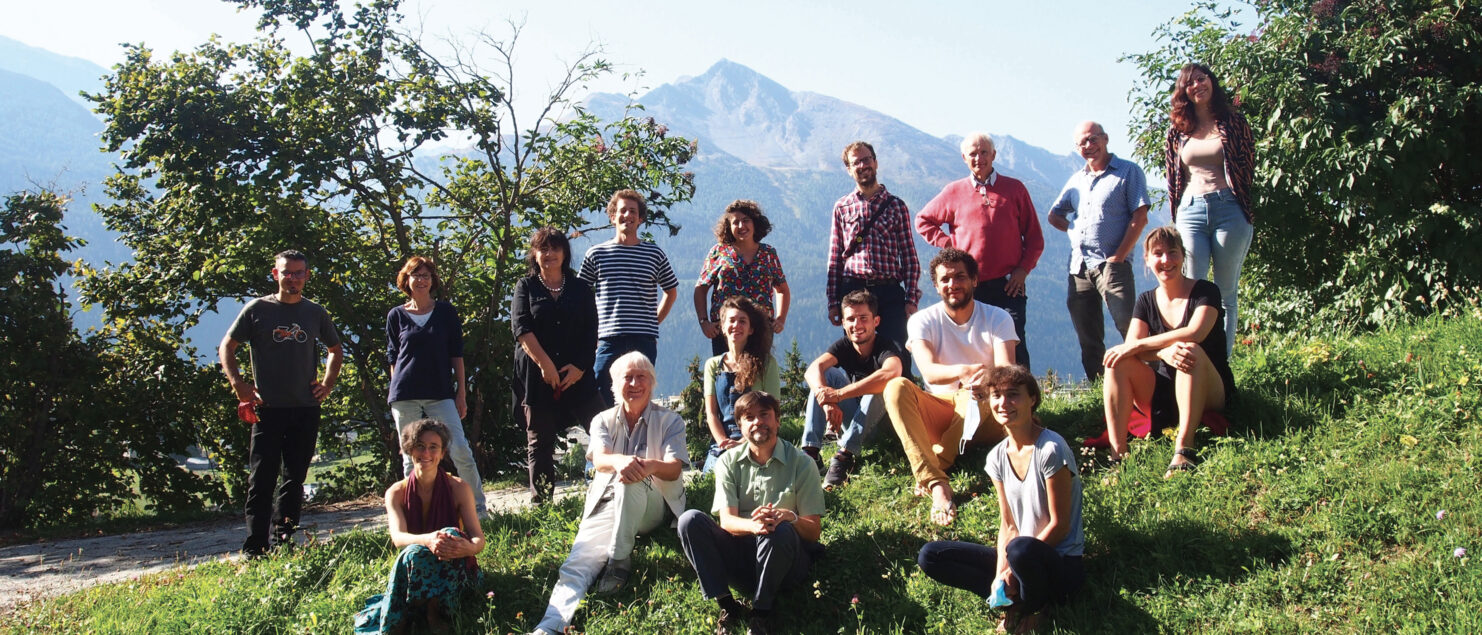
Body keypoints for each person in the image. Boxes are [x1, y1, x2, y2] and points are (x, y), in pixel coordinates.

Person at [530, 352, 689, 635]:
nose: (635, 383)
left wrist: (645, 466)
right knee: (577, 563)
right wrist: (621, 462)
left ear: (651, 383)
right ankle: (549, 627)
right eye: (627, 377)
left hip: (653, 503)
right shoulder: (602, 419)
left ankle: (619, 560)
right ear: (615, 385)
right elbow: (600, 459)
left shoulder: (670, 420)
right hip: (607, 502)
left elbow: (674, 469)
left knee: (633, 478)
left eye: (641, 376)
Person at [917, 366, 1084, 634]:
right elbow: (1008, 525)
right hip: (1020, 556)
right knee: (931, 556)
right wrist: (1000, 574)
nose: (1003, 403)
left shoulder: (1051, 449)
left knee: (1021, 551)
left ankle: (1035, 608)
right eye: (996, 395)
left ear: (1032, 399)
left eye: (1013, 395)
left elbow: (1060, 524)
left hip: (1058, 562)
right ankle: (1013, 598)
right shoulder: (996, 457)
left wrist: (1014, 569)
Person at [219, 249, 343, 557]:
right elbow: (227, 346)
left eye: (299, 273)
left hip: (305, 408)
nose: (293, 279)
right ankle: (255, 546)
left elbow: (335, 350)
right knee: (261, 478)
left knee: (294, 478)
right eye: (287, 273)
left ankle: (284, 539)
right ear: (276, 274)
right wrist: (239, 384)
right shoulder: (257, 309)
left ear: (307, 276)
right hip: (267, 408)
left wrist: (326, 384)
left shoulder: (315, 313)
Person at [883, 248, 1017, 527]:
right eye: (945, 279)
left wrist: (982, 380)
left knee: (980, 391)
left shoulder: (998, 318)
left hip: (988, 413)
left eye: (960, 277)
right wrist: (966, 371)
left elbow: (1007, 371)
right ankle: (939, 485)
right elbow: (928, 370)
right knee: (895, 388)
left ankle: (936, 467)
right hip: (943, 409)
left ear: (974, 281)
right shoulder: (922, 320)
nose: (952, 284)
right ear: (935, 285)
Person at [678, 391, 825, 635]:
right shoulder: (728, 462)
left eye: (764, 415)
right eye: (749, 417)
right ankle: (728, 606)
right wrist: (754, 526)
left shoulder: (802, 463)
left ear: (777, 420)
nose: (757, 422)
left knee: (778, 529)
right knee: (689, 520)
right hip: (743, 557)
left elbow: (813, 531)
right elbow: (726, 520)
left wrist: (790, 517)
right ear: (740, 426)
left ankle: (761, 614)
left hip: (787, 562)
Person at [1102, 227, 1236, 478]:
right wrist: (1163, 353)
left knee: (1189, 350)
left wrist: (1146, 345)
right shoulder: (1145, 300)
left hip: (1209, 387)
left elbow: (1195, 332)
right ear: (1147, 259)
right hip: (1164, 388)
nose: (1166, 260)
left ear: (1183, 256)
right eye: (1158, 253)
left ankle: (1184, 448)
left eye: (1172, 253)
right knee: (1117, 362)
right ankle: (1117, 455)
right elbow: (1131, 351)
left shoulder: (1207, 291)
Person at [915, 132, 1044, 370]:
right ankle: (979, 399)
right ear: (964, 158)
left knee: (1013, 343)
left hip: (1008, 285)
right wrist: (947, 243)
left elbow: (1035, 238)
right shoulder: (953, 191)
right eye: (973, 154)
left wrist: (1022, 271)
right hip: (967, 285)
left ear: (994, 155)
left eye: (984, 152)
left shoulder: (1015, 189)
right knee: (974, 344)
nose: (979, 158)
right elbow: (923, 220)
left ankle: (1024, 402)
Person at [355, 419, 485, 634]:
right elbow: (398, 538)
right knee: (415, 551)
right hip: (415, 566)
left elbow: (478, 539)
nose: (426, 453)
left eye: (433, 447)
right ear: (409, 450)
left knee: (450, 534)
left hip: (454, 569)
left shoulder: (459, 488)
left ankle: (429, 614)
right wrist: (428, 539)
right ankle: (427, 616)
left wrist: (468, 548)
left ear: (442, 453)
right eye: (420, 446)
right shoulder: (396, 492)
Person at [1046, 121, 1152, 381]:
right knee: (1087, 334)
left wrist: (1119, 256)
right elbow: (1054, 215)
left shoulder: (1128, 172)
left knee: (1130, 326)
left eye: (1093, 139)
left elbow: (1140, 216)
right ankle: (1099, 387)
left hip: (1112, 264)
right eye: (1082, 142)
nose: (1088, 146)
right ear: (1077, 148)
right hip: (1079, 268)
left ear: (1105, 139)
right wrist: (1073, 230)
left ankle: (1152, 383)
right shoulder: (1076, 180)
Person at [1164, 63, 1256, 356]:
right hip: (1191, 210)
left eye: (1202, 79)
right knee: (1193, 288)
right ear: (1184, 91)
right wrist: (1175, 212)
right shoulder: (1178, 131)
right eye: (1190, 83)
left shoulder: (1233, 122)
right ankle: (1196, 357)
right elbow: (1172, 176)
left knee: (1226, 292)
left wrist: (1242, 204)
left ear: (1211, 82)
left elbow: (1247, 164)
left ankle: (1222, 364)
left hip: (1229, 207)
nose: (1197, 86)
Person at [386, 256, 486, 516]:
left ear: (433, 281)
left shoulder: (445, 312)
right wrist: (394, 391)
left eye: (426, 275)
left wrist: (460, 393)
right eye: (416, 275)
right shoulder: (396, 315)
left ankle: (477, 508)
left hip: (440, 392)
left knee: (460, 449)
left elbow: (457, 355)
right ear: (406, 281)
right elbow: (393, 358)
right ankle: (415, 512)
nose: (421, 280)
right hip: (405, 395)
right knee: (410, 456)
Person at [512, 227, 603, 504]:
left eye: (555, 248)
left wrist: (579, 367)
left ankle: (609, 492)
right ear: (535, 255)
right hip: (538, 376)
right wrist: (546, 365)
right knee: (540, 443)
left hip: (578, 373)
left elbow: (592, 332)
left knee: (603, 430)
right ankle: (542, 506)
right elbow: (521, 329)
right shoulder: (525, 287)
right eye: (543, 249)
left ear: (565, 253)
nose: (549, 254)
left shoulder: (580, 288)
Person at [826, 141, 922, 372]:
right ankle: (856, 404)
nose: (863, 165)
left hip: (889, 291)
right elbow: (835, 258)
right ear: (849, 169)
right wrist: (833, 302)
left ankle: (901, 404)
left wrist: (911, 299)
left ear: (876, 162)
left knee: (898, 353)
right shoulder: (842, 207)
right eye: (856, 162)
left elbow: (909, 256)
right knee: (857, 356)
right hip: (853, 289)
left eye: (867, 159)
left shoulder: (896, 206)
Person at [579, 189, 680, 408]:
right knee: (600, 389)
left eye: (633, 211)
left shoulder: (654, 254)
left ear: (641, 218)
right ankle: (609, 440)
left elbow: (671, 291)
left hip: (643, 338)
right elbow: (580, 295)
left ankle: (639, 440)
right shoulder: (596, 253)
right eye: (622, 210)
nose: (628, 215)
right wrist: (590, 330)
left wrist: (654, 321)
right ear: (613, 216)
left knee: (639, 394)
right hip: (607, 337)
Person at [798, 289, 904, 489]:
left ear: (876, 321)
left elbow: (892, 372)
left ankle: (844, 457)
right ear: (844, 323)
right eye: (851, 319)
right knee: (825, 375)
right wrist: (827, 400)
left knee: (882, 385)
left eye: (863, 318)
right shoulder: (845, 345)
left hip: (884, 426)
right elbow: (813, 369)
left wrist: (838, 395)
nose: (857, 325)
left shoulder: (886, 346)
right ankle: (811, 454)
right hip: (855, 420)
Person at [694, 199, 791, 355]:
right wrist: (704, 322)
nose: (741, 226)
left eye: (746, 221)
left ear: (755, 223)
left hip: (760, 329)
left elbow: (782, 290)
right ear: (728, 227)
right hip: (726, 329)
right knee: (726, 375)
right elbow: (700, 289)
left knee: (757, 376)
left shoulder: (768, 254)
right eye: (735, 222)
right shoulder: (719, 252)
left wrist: (780, 319)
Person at [701, 296, 780, 474]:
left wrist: (743, 443)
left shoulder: (767, 364)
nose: (736, 325)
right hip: (723, 443)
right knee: (714, 480)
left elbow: (773, 412)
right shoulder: (713, 365)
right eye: (731, 320)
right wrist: (723, 442)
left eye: (742, 321)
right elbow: (712, 414)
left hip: (759, 438)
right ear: (722, 327)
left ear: (751, 329)